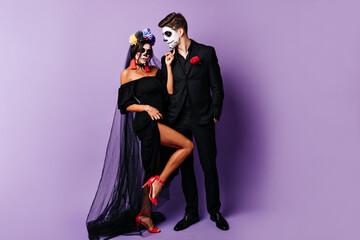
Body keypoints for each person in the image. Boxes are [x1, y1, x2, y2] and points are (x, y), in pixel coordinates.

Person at [86, 28, 194, 239]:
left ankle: (145, 214)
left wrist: (169, 67)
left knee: (151, 167)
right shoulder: (127, 74)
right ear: (134, 51)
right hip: (146, 123)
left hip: (161, 120)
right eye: (142, 50)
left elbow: (169, 91)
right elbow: (124, 105)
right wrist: (146, 108)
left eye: (148, 50)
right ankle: (159, 183)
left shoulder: (155, 71)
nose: (146, 54)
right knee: (186, 145)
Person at [158, 13, 229, 231]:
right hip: (179, 120)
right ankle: (191, 213)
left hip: (203, 119)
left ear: (180, 31)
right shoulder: (166, 59)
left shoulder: (206, 53)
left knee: (209, 165)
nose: (165, 39)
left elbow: (217, 87)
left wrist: (215, 113)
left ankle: (214, 211)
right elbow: (167, 91)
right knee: (186, 169)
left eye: (167, 34)